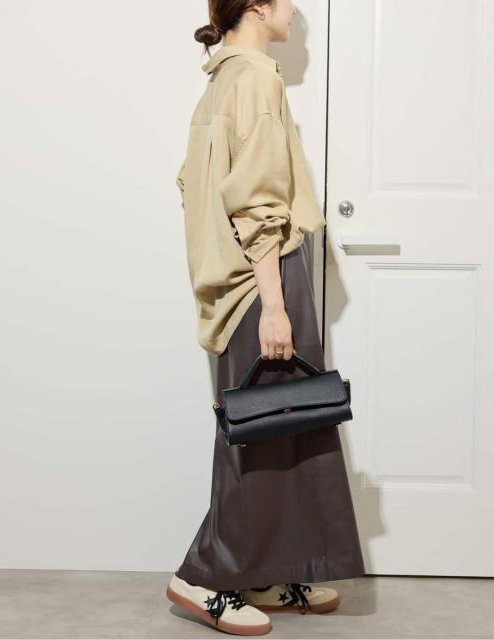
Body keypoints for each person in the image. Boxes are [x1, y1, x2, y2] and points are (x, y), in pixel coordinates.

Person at [166, 1, 365, 635]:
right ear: (256, 7)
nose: (296, 11)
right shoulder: (253, 77)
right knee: (258, 436)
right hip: (263, 281)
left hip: (245, 279)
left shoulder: (223, 77)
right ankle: (202, 577)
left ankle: (261, 571)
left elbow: (193, 183)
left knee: (275, 431)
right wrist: (274, 304)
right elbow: (254, 203)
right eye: (286, 1)